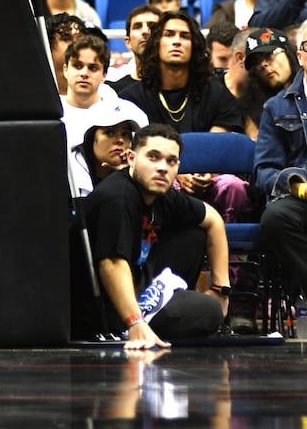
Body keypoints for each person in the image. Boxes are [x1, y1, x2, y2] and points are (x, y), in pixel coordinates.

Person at [76, 123, 229, 347]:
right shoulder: (118, 197)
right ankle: (131, 325)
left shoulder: (160, 192)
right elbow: (111, 264)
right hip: (100, 306)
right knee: (208, 311)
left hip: (139, 281)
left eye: (171, 161)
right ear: (131, 158)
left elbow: (214, 220)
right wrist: (134, 322)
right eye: (153, 157)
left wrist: (221, 289)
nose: (162, 168)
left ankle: (151, 313)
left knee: (194, 235)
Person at [117, 11, 243, 135]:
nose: (177, 41)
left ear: (194, 46)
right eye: (169, 34)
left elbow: (214, 144)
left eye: (184, 36)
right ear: (156, 43)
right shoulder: (132, 98)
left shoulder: (216, 95)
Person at [254, 30, 307, 293]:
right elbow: (264, 170)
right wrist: (295, 183)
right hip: (301, 196)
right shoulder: (275, 108)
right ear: (300, 56)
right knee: (275, 218)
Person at [60, 33, 147, 155]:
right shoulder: (51, 115)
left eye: (93, 68)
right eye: (77, 66)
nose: (84, 73)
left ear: (104, 75)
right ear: (65, 70)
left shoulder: (130, 113)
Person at [69, 106, 140, 196]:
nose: (120, 140)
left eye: (125, 134)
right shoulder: (72, 170)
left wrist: (126, 175)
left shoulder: (135, 169)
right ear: (92, 138)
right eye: (110, 133)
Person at [107, 4, 162, 83]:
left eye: (152, 26)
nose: (145, 31)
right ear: (128, 42)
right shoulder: (114, 87)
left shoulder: (179, 84)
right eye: (137, 27)